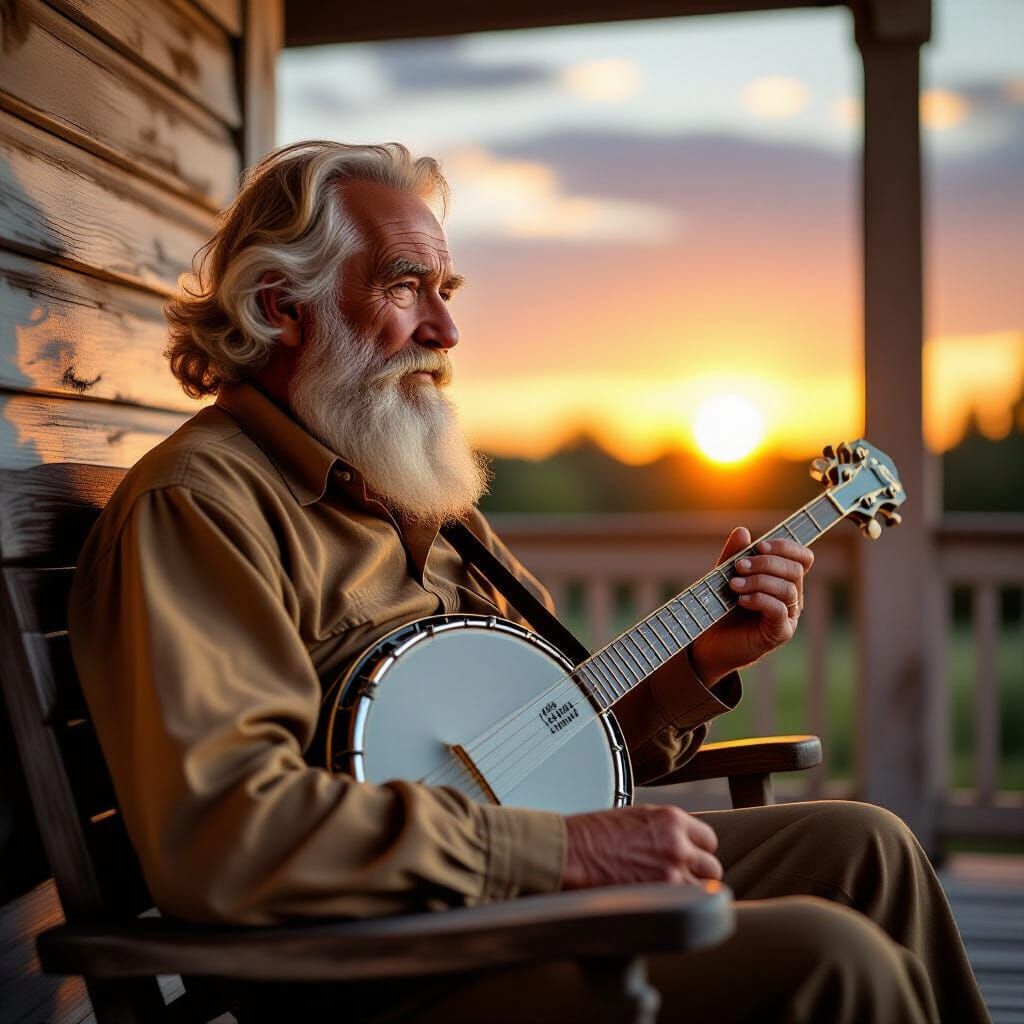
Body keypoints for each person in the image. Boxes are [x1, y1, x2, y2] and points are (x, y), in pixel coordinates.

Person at [69, 141, 988, 1023]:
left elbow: (541, 734)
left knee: (870, 848)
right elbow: (228, 831)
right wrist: (560, 852)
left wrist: (698, 666)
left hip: (489, 908)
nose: (447, 329)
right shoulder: (199, 508)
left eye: (447, 291)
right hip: (376, 964)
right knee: (836, 959)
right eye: (403, 287)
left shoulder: (415, 493)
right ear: (281, 307)